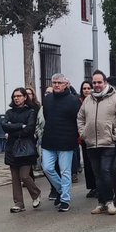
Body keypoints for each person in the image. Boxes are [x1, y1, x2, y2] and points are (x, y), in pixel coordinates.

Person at [77, 70, 116, 215]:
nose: (97, 85)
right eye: (94, 82)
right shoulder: (88, 99)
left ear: (105, 82)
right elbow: (80, 118)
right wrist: (83, 133)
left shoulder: (115, 98)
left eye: (99, 82)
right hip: (91, 143)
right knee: (97, 174)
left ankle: (110, 201)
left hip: (108, 143)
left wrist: (115, 135)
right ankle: (101, 202)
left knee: (106, 171)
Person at [41, 74, 81, 212]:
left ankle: (65, 199)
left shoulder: (74, 100)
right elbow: (47, 116)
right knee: (47, 168)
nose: (56, 85)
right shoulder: (47, 99)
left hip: (66, 140)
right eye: (54, 82)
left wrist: (75, 136)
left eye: (59, 82)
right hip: (49, 139)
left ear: (66, 84)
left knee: (65, 171)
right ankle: (60, 190)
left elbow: (78, 120)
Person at [1, 87, 41, 212]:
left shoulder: (30, 112)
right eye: (14, 96)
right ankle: (19, 203)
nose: (16, 98)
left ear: (25, 97)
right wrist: (19, 126)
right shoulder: (9, 112)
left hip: (26, 148)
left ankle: (36, 194)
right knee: (15, 177)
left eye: (19, 96)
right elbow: (4, 126)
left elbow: (29, 129)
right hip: (12, 148)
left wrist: (13, 130)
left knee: (24, 176)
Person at [79, 81, 96, 197]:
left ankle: (99, 186)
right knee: (87, 163)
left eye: (88, 88)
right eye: (84, 88)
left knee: (95, 163)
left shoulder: (94, 101)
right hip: (84, 137)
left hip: (95, 136)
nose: (86, 90)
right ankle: (92, 187)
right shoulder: (78, 102)